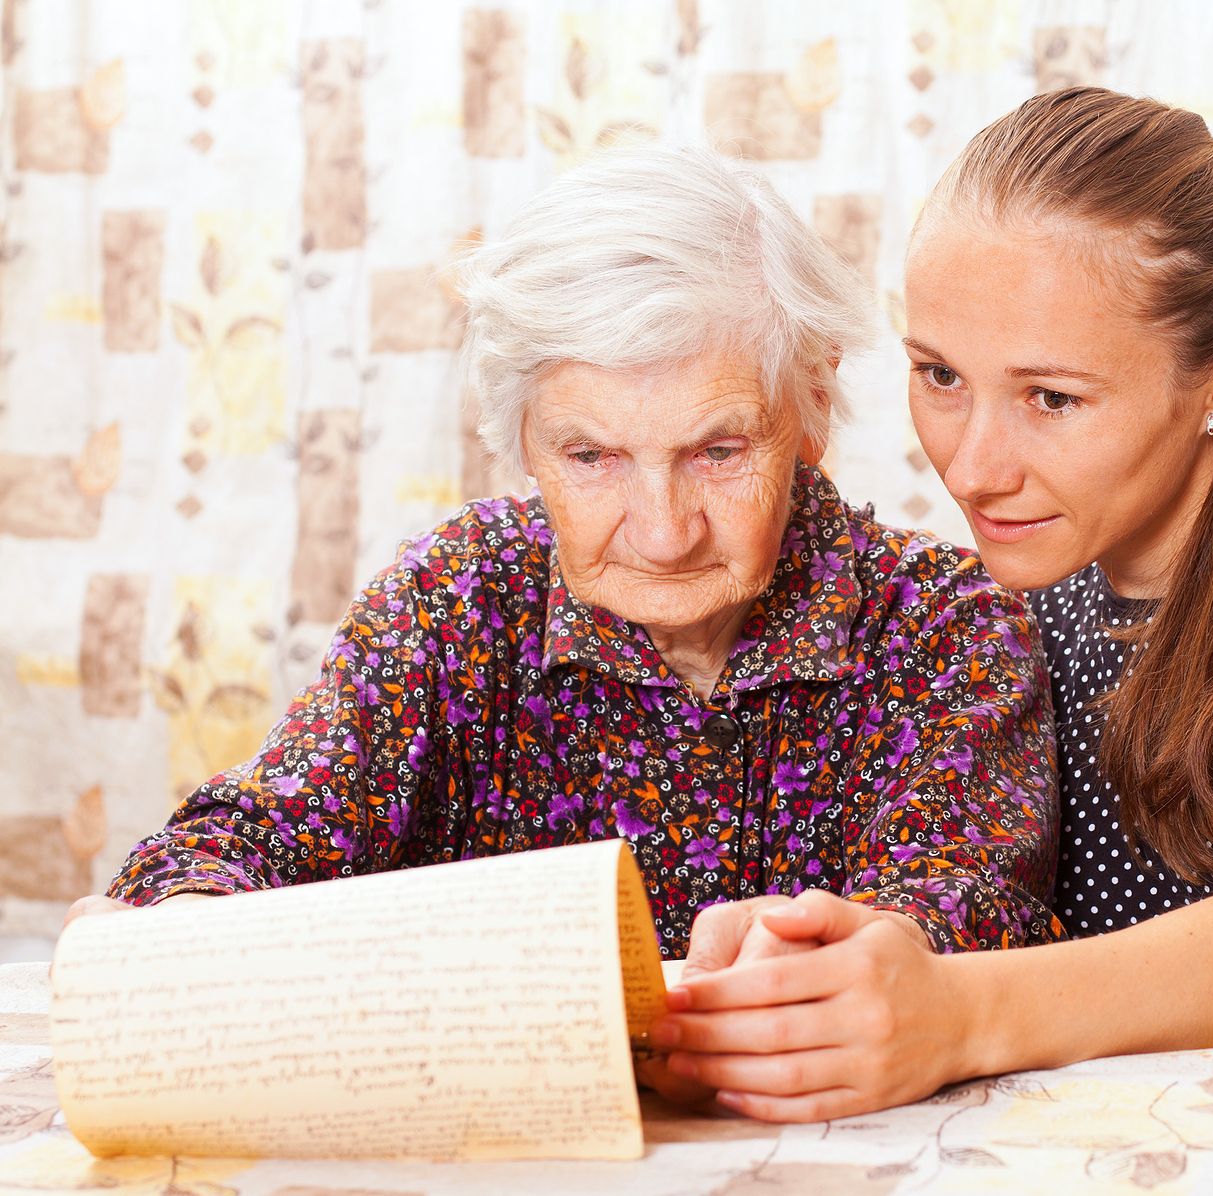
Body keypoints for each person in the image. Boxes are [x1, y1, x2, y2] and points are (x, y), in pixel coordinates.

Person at [649, 87, 1213, 1121]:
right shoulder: (1002, 617)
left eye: (1051, 398)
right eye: (939, 374)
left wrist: (954, 1012)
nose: (970, 466)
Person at [66, 148, 1060, 980]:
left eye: (717, 452)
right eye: (591, 458)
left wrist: (857, 951)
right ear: (522, 441)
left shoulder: (944, 622)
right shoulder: (458, 595)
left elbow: (972, 915)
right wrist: (182, 914)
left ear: (809, 407)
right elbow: (271, 822)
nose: (664, 532)